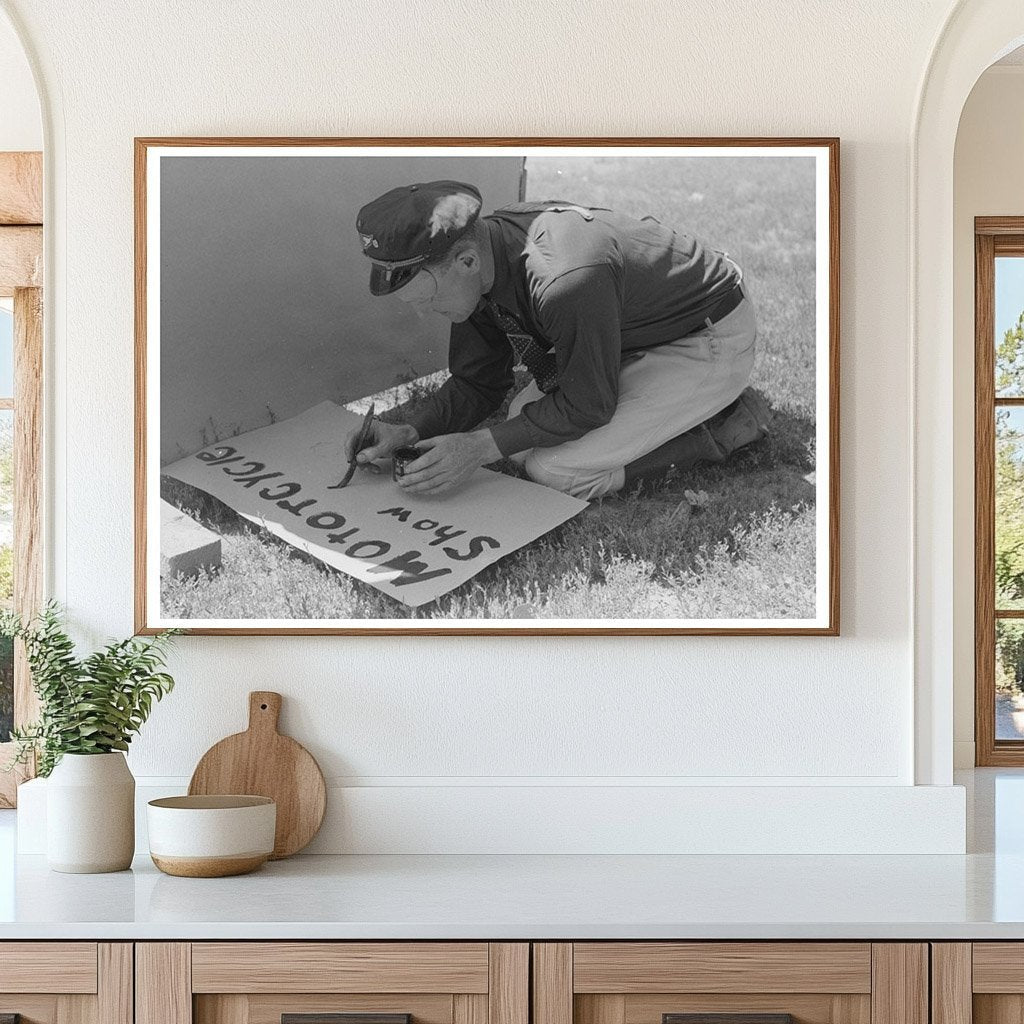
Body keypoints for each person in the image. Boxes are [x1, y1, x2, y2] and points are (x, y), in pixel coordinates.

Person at [345, 179, 770, 500]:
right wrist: (408, 431)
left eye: (430, 300)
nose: (425, 312)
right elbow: (479, 382)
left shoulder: (564, 278)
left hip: (707, 335)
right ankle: (682, 403)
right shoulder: (480, 260)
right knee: (519, 434)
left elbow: (588, 404)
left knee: (558, 470)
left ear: (467, 261)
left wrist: (475, 447)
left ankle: (722, 428)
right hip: (634, 334)